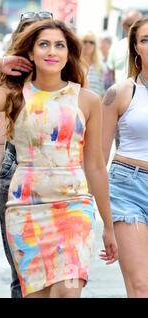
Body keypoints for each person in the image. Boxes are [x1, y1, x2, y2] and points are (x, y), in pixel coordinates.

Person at [0, 19, 118, 297]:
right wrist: (0, 61)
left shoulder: (86, 99)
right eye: (44, 44)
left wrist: (109, 225)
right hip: (26, 212)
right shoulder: (16, 96)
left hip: (74, 209)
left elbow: (95, 166)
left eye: (60, 45)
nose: (52, 51)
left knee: (68, 292)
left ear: (68, 53)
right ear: (31, 53)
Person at [0, 13, 53, 299]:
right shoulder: (13, 89)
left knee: (57, 274)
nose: (41, 50)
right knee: (22, 274)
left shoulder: (70, 87)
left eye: (47, 42)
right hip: (13, 175)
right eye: (33, 42)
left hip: (58, 182)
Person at [101, 15, 148, 298]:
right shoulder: (119, 93)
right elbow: (98, 158)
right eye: (145, 39)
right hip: (128, 187)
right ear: (136, 49)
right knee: (141, 285)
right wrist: (102, 219)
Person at [107, 9, 142, 84]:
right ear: (123, 25)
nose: (134, 28)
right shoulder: (115, 47)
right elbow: (111, 74)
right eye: (130, 25)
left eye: (137, 24)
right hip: (120, 92)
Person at [81, 31, 106, 98]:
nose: (88, 44)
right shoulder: (75, 64)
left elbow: (102, 90)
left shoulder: (100, 66)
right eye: (85, 41)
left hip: (94, 105)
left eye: (91, 42)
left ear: (95, 45)